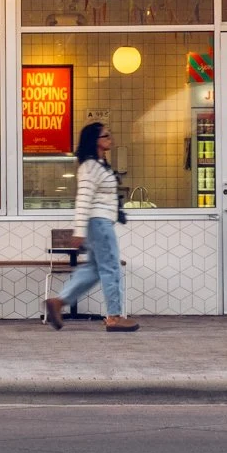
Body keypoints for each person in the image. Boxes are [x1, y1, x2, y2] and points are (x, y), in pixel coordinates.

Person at [45, 121, 138, 332]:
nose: (110, 138)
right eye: (105, 136)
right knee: (111, 268)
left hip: (101, 222)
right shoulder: (90, 167)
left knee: (94, 268)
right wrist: (78, 231)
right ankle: (114, 317)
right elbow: (83, 199)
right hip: (99, 223)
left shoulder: (99, 164)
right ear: (95, 141)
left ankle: (58, 302)